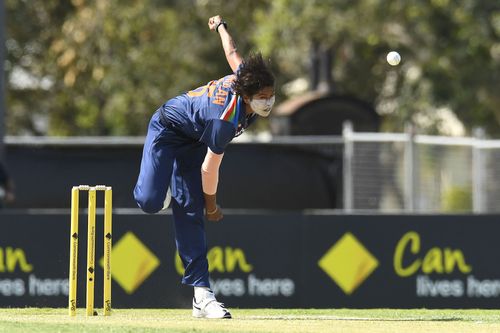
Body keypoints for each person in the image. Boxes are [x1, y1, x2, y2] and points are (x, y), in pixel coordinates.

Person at [133, 15, 275, 319]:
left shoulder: (243, 77)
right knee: (149, 202)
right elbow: (209, 170)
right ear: (247, 96)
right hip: (167, 129)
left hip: (193, 142)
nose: (269, 102)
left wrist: (221, 26)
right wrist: (211, 205)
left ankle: (201, 294)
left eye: (271, 96)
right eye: (263, 98)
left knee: (189, 212)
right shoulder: (224, 120)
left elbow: (232, 52)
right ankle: (163, 188)